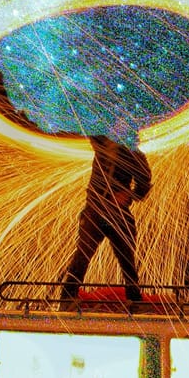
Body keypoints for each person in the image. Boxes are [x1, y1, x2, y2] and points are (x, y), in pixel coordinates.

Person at [60, 121, 151, 302]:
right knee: (83, 254)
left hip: (117, 213)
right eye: (115, 125)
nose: (116, 129)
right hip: (94, 209)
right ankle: (67, 297)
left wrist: (128, 195)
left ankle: (134, 299)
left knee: (126, 259)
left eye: (121, 127)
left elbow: (145, 183)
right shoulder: (101, 144)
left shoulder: (135, 155)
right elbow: (85, 121)